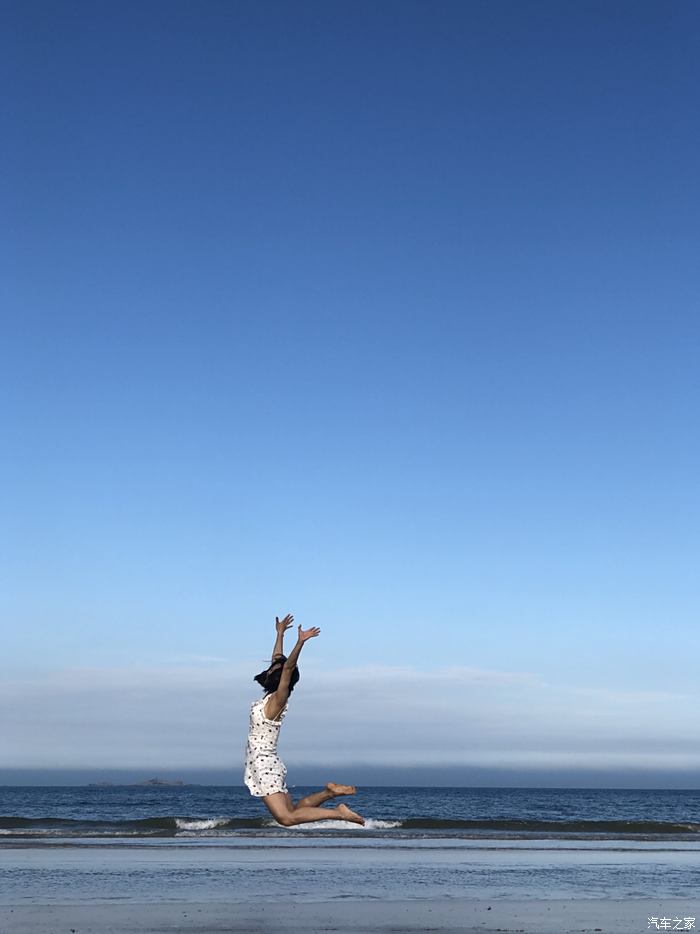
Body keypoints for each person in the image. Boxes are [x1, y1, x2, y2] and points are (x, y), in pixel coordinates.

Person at [243, 613, 365, 826]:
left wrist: (300, 642)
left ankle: (339, 813)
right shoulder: (269, 700)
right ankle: (328, 793)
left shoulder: (278, 701)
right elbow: (279, 660)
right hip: (263, 763)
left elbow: (287, 667)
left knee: (286, 818)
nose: (272, 667)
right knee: (294, 811)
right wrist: (280, 633)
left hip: (264, 764)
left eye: (276, 669)